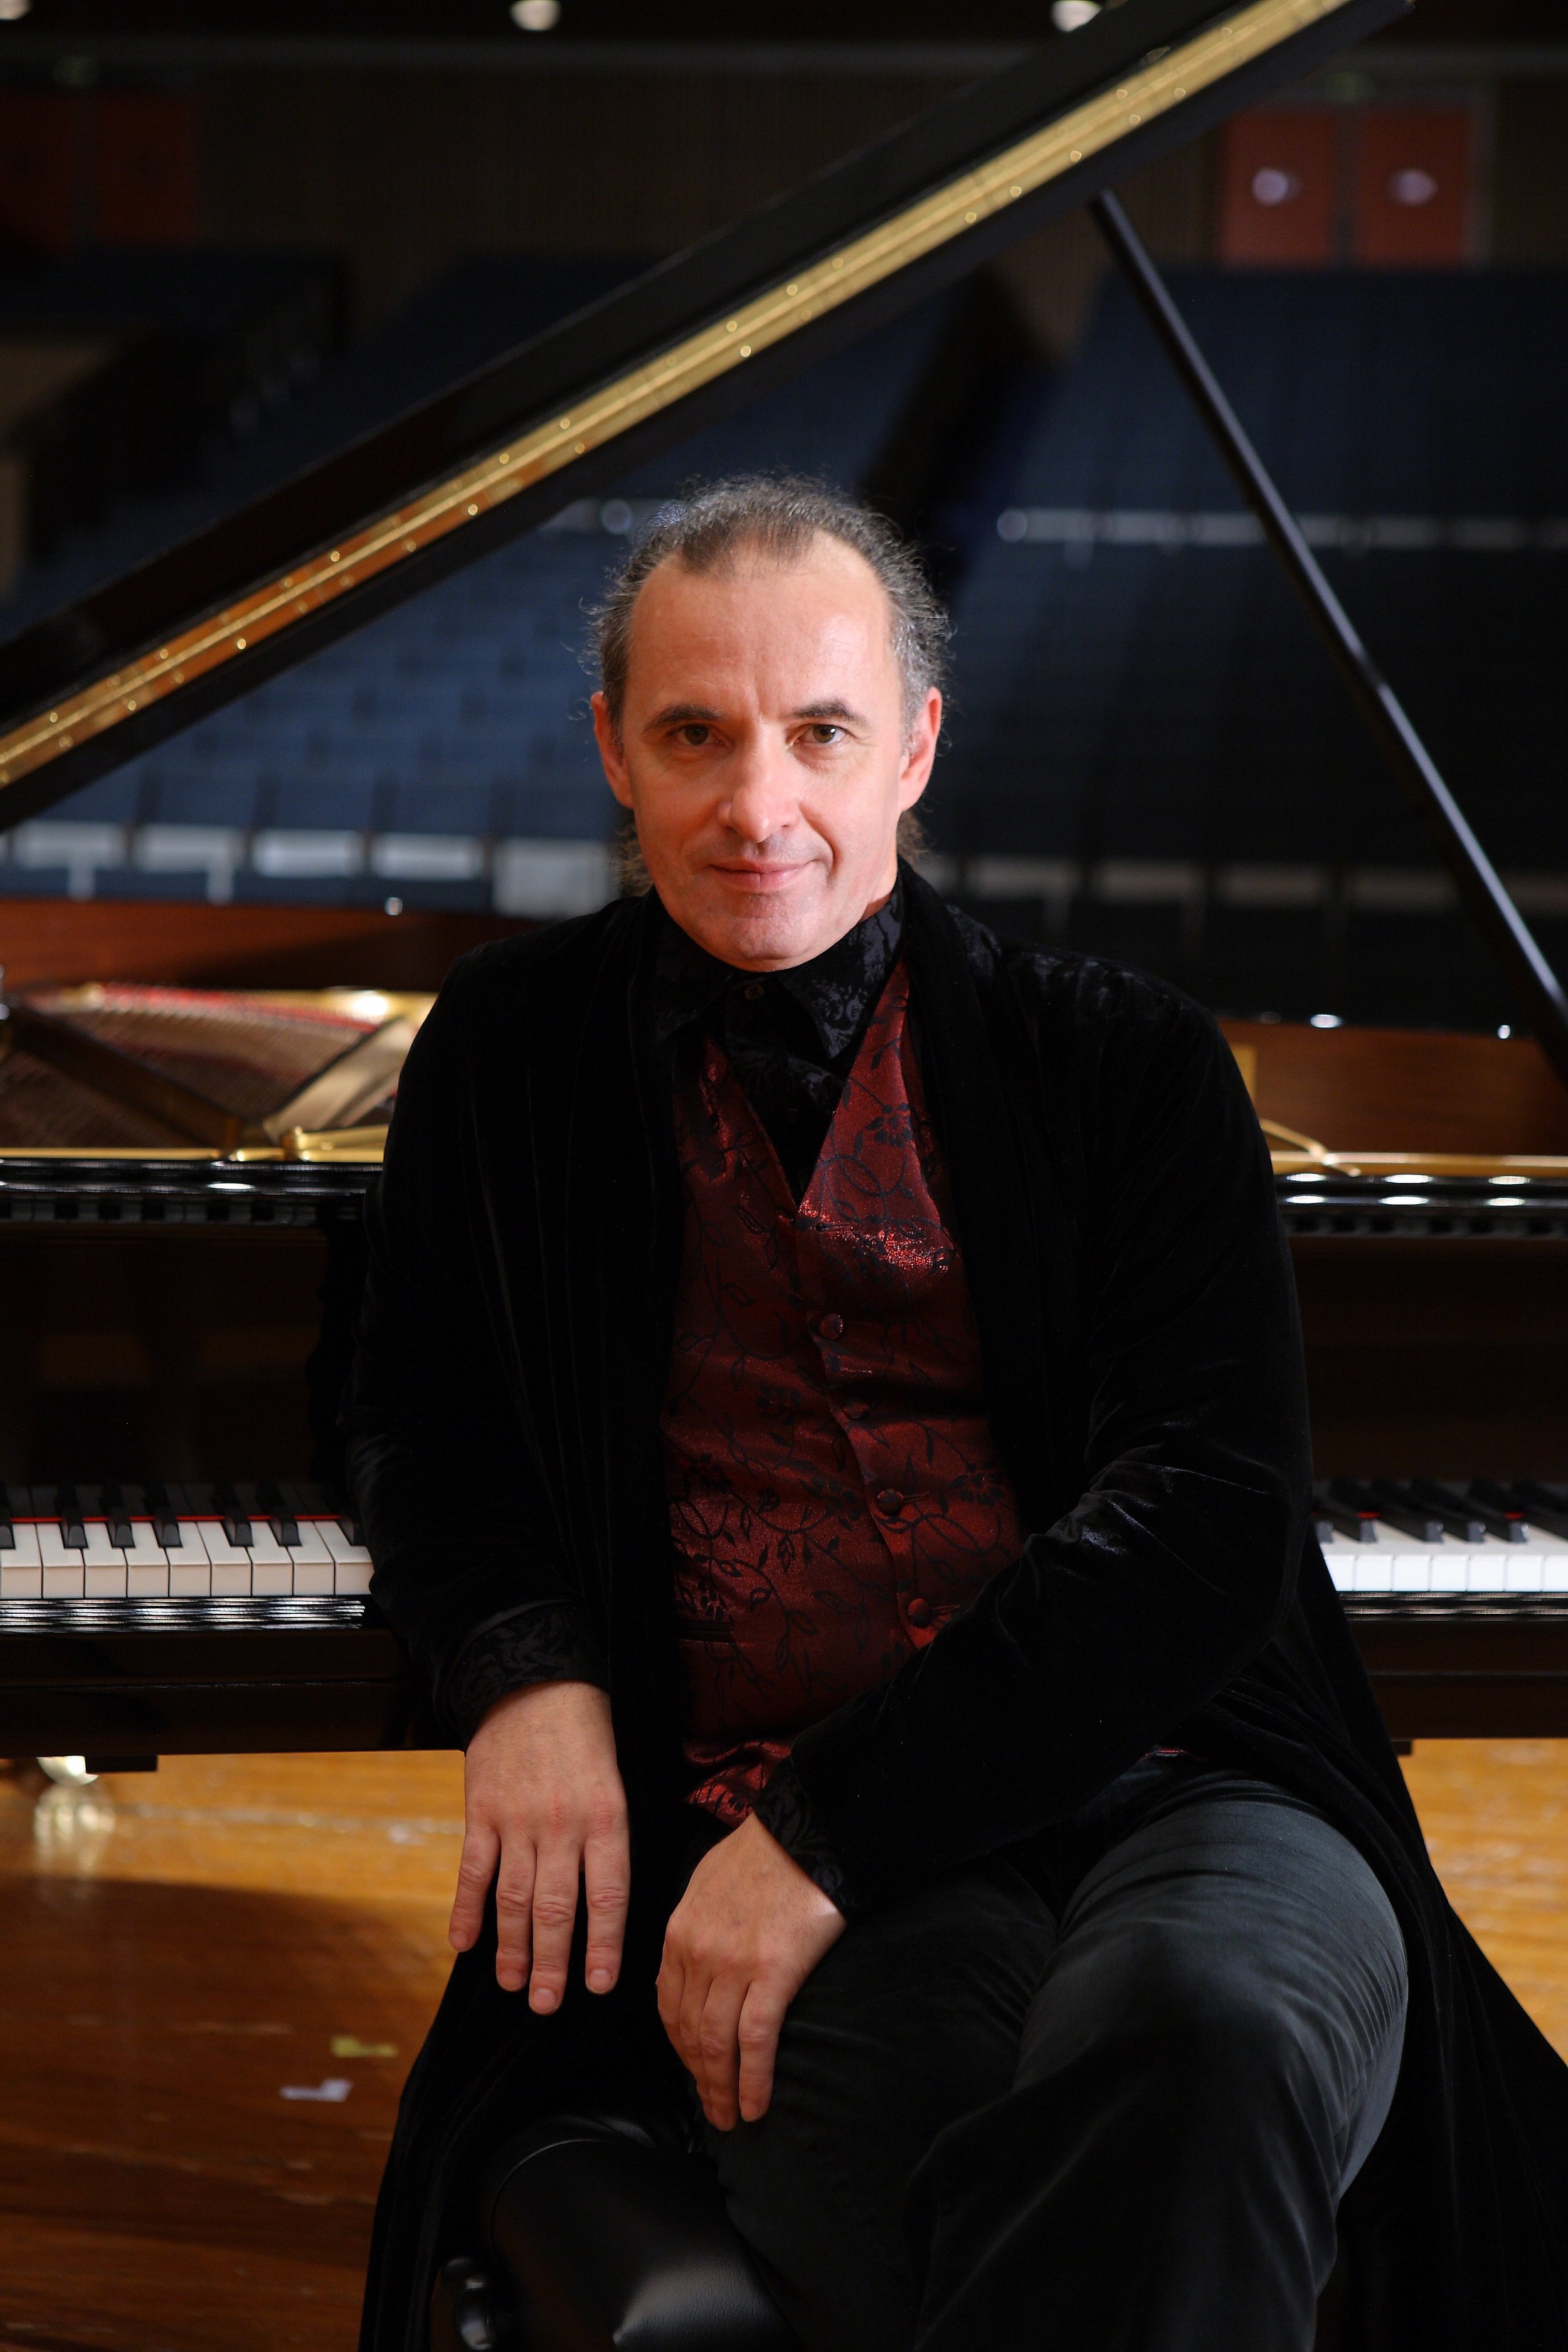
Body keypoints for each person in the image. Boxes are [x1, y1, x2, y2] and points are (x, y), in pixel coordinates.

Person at [347, 477, 1568, 2352]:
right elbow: (425, 1424)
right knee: (980, 2121)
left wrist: (821, 1838)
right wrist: (523, 1670)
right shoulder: (507, 1057)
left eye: (820, 731)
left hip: (1191, 1790)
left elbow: (1203, 1525)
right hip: (768, 1814)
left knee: (1212, 2031)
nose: (761, 806)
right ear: (611, 750)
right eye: (695, 735)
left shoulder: (1123, 1059)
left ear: (915, 746)